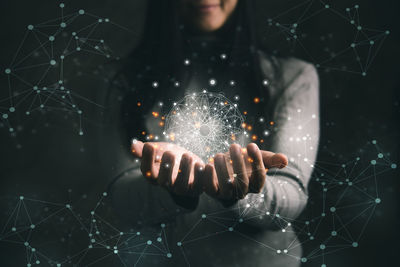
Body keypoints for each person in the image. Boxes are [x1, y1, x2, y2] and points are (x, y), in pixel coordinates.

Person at [105, 0, 319, 266]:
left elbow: (290, 201)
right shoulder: (127, 80)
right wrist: (174, 192)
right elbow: (122, 202)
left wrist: (244, 192)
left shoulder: (293, 77)